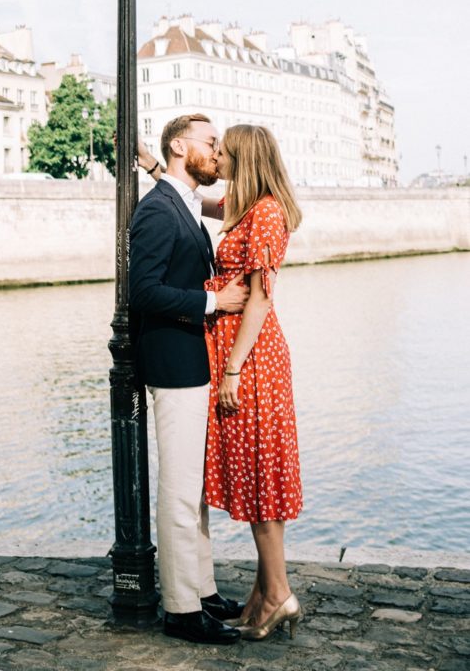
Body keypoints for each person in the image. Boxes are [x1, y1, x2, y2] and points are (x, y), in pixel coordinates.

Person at [129, 114, 250, 645]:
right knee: (179, 493)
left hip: (191, 365)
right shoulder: (157, 210)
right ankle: (180, 610)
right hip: (175, 368)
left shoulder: (178, 199)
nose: (218, 153)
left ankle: (201, 590)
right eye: (210, 143)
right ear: (182, 146)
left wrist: (154, 167)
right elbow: (146, 292)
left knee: (194, 491)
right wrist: (213, 302)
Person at [204, 124, 303, 641]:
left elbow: (261, 299)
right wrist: (154, 166)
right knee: (258, 474)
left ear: (242, 158)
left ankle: (279, 593)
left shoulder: (264, 214)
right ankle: (265, 594)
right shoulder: (249, 208)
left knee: (263, 477)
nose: (215, 157)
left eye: (220, 152)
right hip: (249, 353)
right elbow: (205, 203)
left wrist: (233, 369)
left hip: (254, 359)